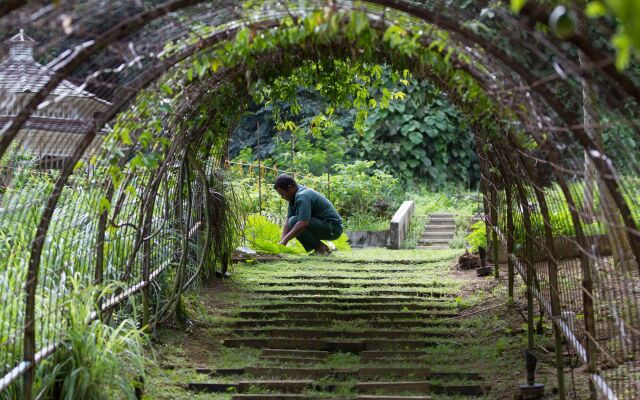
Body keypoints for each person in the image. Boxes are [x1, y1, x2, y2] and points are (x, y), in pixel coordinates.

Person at [274, 174, 343, 255]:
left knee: (295, 222)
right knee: (292, 221)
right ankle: (321, 248)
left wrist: (285, 240)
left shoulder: (303, 196)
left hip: (333, 228)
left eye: (282, 194)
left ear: (290, 187)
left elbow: (303, 223)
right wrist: (282, 242)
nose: (282, 197)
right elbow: (288, 219)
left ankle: (321, 248)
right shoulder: (293, 197)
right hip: (324, 225)